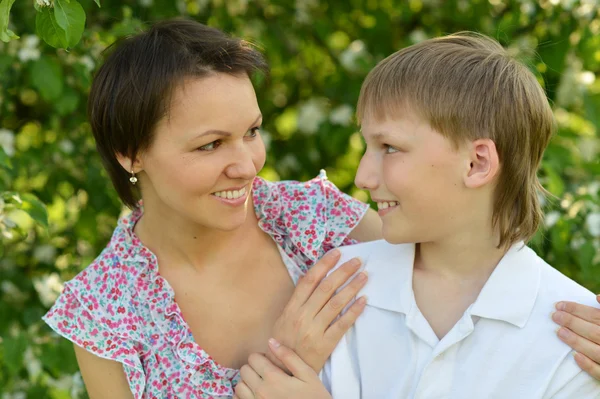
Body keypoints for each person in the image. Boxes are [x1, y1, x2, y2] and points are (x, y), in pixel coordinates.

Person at [40, 19, 600, 399]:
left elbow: (463, 251)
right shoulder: (103, 313)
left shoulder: (310, 220)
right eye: (210, 145)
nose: (247, 165)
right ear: (131, 154)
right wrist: (287, 361)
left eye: (253, 131)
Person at [234, 33, 600, 398]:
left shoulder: (574, 338)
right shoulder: (335, 290)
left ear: (476, 163)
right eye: (367, 146)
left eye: (389, 147)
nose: (363, 177)